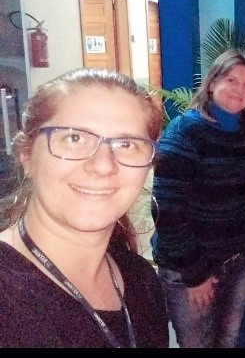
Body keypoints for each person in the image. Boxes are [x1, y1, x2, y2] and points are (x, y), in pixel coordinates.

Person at [0, 67, 169, 348]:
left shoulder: (142, 281)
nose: (103, 165)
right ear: (26, 154)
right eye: (75, 138)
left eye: (126, 144)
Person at [150, 49, 245, 348]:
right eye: (231, 80)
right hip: (189, 269)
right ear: (212, 83)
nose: (239, 90)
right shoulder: (186, 131)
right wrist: (195, 274)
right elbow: (165, 211)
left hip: (236, 263)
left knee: (227, 341)